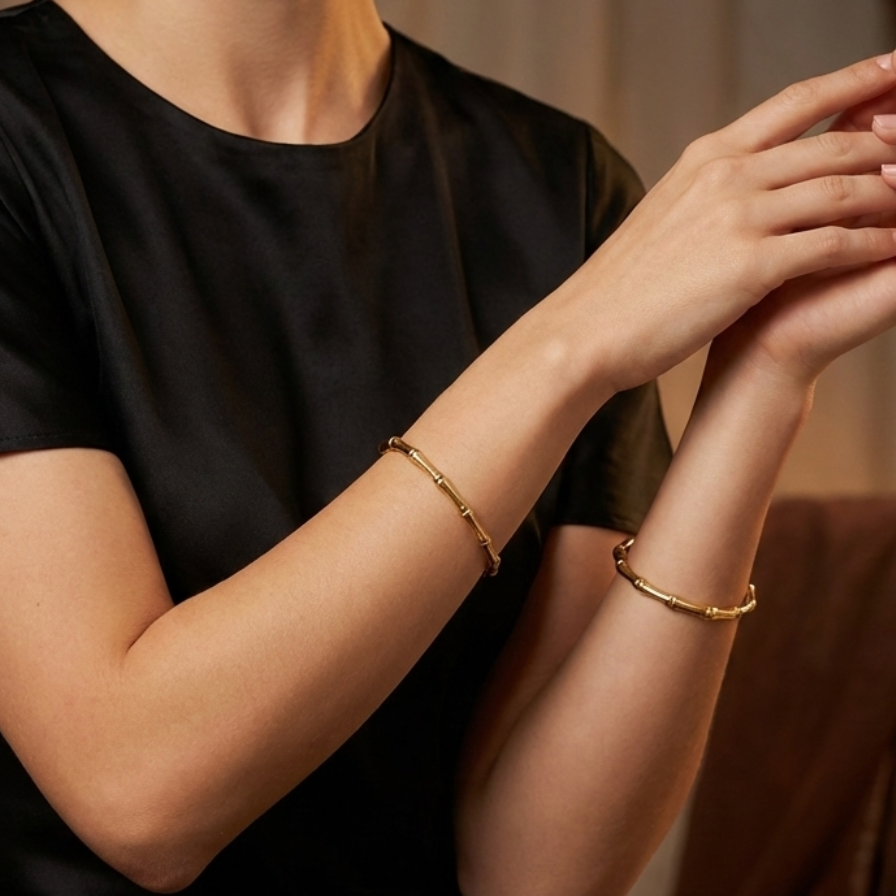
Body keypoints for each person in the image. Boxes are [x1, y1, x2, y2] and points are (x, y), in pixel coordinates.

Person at [2, 0, 896, 894]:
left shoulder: (562, 185)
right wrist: (572, 342)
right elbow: (138, 795)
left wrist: (764, 375)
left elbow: (535, 874)